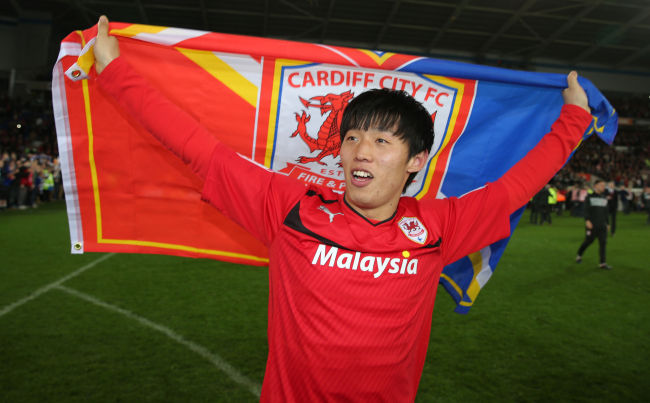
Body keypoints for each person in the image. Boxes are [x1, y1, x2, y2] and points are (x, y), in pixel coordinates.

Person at [92, 16, 593, 402]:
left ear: (416, 161)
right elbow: (197, 148)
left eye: (381, 139)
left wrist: (574, 117)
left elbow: (516, 187)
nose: (361, 151)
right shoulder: (289, 209)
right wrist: (115, 70)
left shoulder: (439, 227)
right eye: (351, 137)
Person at [575, 180, 612, 269]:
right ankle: (579, 255)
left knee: (603, 243)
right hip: (592, 224)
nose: (603, 187)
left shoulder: (604, 198)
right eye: (601, 185)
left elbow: (606, 212)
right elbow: (586, 210)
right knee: (588, 241)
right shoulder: (589, 197)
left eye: (604, 185)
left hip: (602, 225)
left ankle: (602, 263)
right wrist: (587, 220)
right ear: (595, 186)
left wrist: (607, 223)